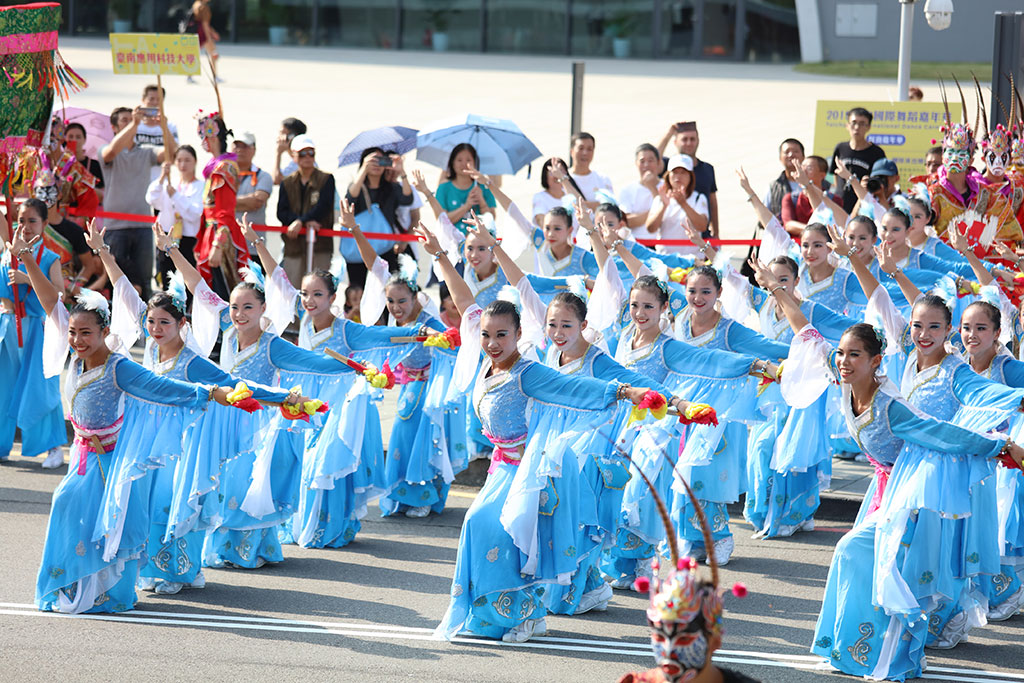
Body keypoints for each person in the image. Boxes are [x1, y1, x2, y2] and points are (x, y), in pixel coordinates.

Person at [760, 270, 1024, 680]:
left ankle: (897, 654)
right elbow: (812, 336)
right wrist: (780, 293)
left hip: (931, 481)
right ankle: (858, 648)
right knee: (883, 564)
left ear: (947, 331)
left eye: (935, 326)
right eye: (917, 325)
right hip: (893, 481)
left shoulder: (946, 376)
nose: (923, 333)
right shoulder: (884, 367)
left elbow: (960, 414)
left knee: (898, 569)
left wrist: (1002, 438)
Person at [426, 220, 657, 643]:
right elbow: (466, 302)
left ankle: (527, 614)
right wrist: (441, 256)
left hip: (536, 464)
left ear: (519, 335)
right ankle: (499, 614)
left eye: (502, 335)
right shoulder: (490, 356)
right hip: (505, 463)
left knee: (506, 530)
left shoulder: (528, 371)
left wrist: (638, 393)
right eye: (487, 335)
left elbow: (580, 388)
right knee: (482, 526)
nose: (493, 342)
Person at [0, 202, 67, 468]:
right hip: (7, 328)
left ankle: (53, 448)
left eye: (32, 221)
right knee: (4, 389)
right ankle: (2, 445)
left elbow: (60, 295)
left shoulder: (50, 258)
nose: (26, 228)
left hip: (37, 330)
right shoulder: (7, 254)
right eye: (21, 221)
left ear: (44, 224)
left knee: (42, 390)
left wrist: (28, 279)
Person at [101, 105, 176, 300]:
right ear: (114, 127)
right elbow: (110, 152)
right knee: (116, 280)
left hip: (142, 225)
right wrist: (134, 124)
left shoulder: (145, 153)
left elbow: (171, 155)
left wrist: (164, 128)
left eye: (131, 119)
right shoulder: (108, 150)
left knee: (144, 281)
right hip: (116, 228)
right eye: (124, 120)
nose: (131, 123)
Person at [344, 147, 415, 286]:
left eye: (381, 160)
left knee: (387, 287)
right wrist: (363, 170)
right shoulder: (357, 186)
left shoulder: (391, 187)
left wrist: (401, 171)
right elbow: (350, 198)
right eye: (372, 160)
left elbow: (407, 199)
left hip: (385, 247)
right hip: (359, 247)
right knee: (358, 288)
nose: (377, 165)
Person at [193, 111, 245, 299]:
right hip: (210, 231)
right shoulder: (215, 168)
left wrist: (218, 244)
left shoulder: (224, 169)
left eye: (203, 134)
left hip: (219, 234)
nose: (202, 140)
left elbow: (225, 211)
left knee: (223, 291)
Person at [277, 134, 336, 289]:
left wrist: (299, 222)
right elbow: (281, 212)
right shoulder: (287, 182)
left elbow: (323, 207)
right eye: (303, 153)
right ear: (293, 155)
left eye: (311, 152)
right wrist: (301, 221)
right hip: (294, 245)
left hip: (320, 245)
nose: (307, 157)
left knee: (320, 289)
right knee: (293, 290)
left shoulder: (326, 179)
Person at [147, 145, 204, 288]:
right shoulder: (169, 184)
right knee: (166, 278)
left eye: (187, 160)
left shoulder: (200, 186)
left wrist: (176, 197)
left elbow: (195, 214)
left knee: (189, 279)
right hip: (168, 235)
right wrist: (161, 177)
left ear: (195, 161)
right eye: (179, 160)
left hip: (189, 238)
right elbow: (151, 199)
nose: (183, 165)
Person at [656, 122, 718, 238]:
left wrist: (716, 232)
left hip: (700, 230)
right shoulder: (668, 165)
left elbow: (713, 201)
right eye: (684, 139)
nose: (689, 143)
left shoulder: (707, 169)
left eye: (692, 139)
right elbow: (653, 159)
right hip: (672, 233)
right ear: (675, 142)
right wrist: (669, 134)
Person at [645, 154, 709, 256]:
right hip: (666, 260)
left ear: (690, 176)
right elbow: (650, 228)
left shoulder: (698, 198)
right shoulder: (660, 198)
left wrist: (683, 204)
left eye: (683, 172)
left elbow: (702, 226)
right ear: (668, 175)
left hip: (693, 260)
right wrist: (664, 205)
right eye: (674, 172)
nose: (678, 177)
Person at [828, 107, 887, 213]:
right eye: (853, 123)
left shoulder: (877, 153)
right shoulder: (840, 148)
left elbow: (881, 183)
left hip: (863, 206)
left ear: (868, 127)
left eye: (862, 123)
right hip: (839, 205)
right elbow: (836, 176)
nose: (857, 127)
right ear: (847, 125)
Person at [434, 143, 496, 234]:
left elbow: (491, 219)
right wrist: (467, 206)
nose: (464, 164)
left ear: (475, 163)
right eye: (459, 160)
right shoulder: (443, 188)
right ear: (452, 163)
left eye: (468, 160)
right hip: (451, 244)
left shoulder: (484, 186)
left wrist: (481, 201)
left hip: (478, 244)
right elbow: (442, 221)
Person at [232, 132, 273, 240]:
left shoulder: (263, 176)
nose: (239, 150)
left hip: (253, 245)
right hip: (227, 244)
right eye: (237, 146)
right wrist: (243, 203)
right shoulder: (223, 175)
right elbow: (213, 203)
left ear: (253, 150)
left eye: (244, 146)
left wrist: (227, 203)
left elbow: (256, 202)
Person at [135, 85, 179, 183]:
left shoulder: (170, 127)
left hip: (160, 181)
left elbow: (175, 156)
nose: (155, 103)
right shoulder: (135, 126)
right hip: (136, 181)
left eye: (159, 100)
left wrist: (164, 128)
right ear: (143, 100)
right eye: (151, 99)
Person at [780, 156, 832, 235]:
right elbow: (788, 225)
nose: (803, 171)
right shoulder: (791, 198)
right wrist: (816, 231)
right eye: (802, 167)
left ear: (822, 175)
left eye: (809, 168)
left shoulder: (833, 199)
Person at [617, 143, 663, 229]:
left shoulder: (668, 186)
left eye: (650, 160)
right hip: (636, 241)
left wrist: (652, 187)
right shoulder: (627, 190)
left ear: (658, 162)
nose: (646, 165)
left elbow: (666, 219)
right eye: (642, 161)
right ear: (636, 163)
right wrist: (657, 213)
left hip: (661, 241)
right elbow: (626, 222)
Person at [532, 157, 583, 227]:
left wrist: (562, 178)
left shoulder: (570, 192)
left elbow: (582, 207)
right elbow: (541, 222)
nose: (556, 174)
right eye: (552, 172)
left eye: (561, 170)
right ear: (545, 175)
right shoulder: (540, 197)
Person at [63, 122, 104, 208]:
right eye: (70, 137)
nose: (74, 140)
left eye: (78, 137)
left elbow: (102, 195)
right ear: (64, 139)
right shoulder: (58, 163)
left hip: (87, 214)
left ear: (84, 140)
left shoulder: (95, 165)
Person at [764, 138, 806, 219]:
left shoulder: (817, 182)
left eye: (795, 151)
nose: (791, 155)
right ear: (780, 158)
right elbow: (765, 216)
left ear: (803, 156)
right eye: (786, 152)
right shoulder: (773, 187)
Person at [568, 132, 614, 205]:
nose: (585, 153)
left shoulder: (603, 179)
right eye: (581, 148)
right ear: (571, 152)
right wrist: (596, 205)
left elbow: (610, 207)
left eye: (589, 149)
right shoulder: (561, 179)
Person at [189, 0, 220, 83]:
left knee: (194, 54)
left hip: (196, 32)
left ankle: (189, 76)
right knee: (213, 53)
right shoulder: (204, 7)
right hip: (203, 33)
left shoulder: (196, 4)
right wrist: (209, 37)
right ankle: (215, 76)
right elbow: (205, 24)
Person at [273, 117, 308, 185]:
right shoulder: (294, 160)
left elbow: (276, 180)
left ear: (291, 137)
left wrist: (278, 154)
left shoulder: (302, 161)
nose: (278, 138)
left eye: (281, 133)